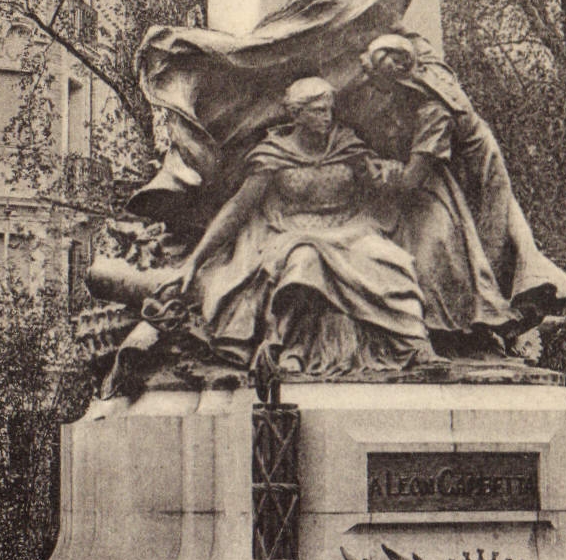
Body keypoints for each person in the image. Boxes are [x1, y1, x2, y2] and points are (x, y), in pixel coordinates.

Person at [164, 77, 433, 376]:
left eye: (329, 109)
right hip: (291, 233)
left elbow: (380, 185)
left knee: (393, 260)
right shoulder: (273, 154)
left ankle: (415, 343)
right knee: (304, 261)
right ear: (296, 114)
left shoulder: (347, 146)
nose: (327, 117)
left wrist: (393, 174)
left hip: (350, 229)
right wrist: (194, 262)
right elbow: (237, 210)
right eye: (318, 111)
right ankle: (289, 348)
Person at [353, 33, 566, 340]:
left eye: (375, 79)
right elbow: (415, 36)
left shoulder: (433, 111)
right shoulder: (424, 61)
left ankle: (494, 320)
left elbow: (410, 180)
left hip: (473, 168)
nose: (369, 84)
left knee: (490, 241)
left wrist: (374, 170)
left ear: (396, 77)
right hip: (457, 161)